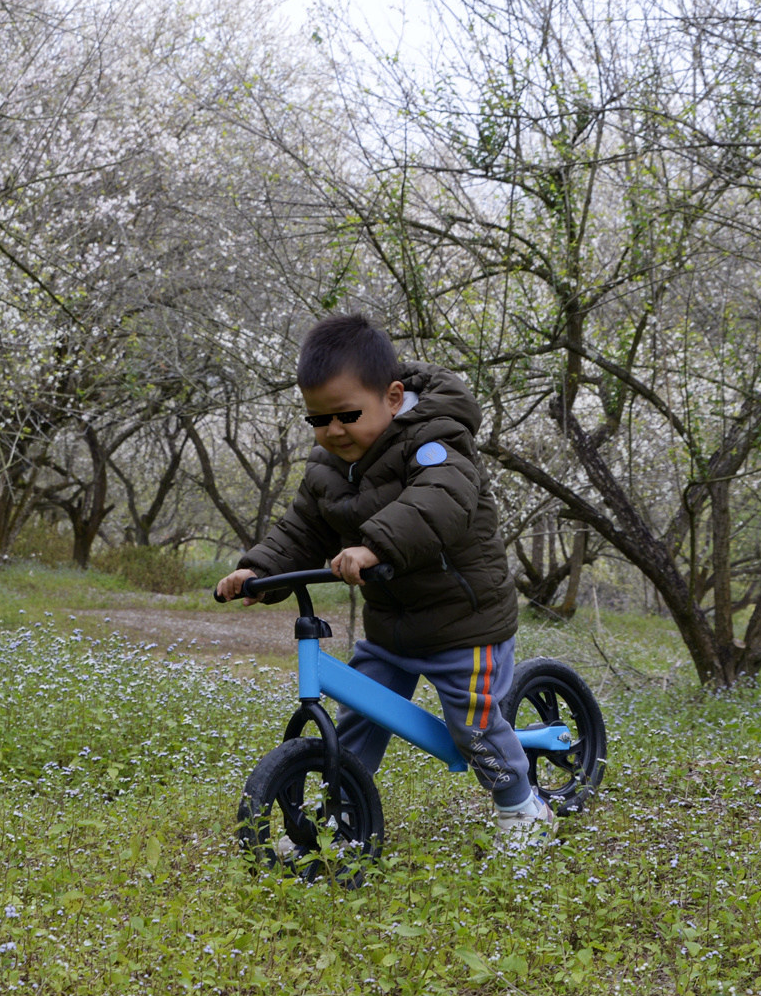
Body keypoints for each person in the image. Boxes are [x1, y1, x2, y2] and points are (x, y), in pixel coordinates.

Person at [216, 313, 556, 844]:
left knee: (474, 729)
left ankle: (521, 807)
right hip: (393, 629)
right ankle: (342, 814)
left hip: (465, 627)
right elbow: (302, 528)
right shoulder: (329, 466)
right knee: (357, 718)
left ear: (393, 398)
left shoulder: (436, 442)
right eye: (317, 420)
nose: (332, 431)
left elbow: (439, 502)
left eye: (346, 415)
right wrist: (257, 570)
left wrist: (374, 545)